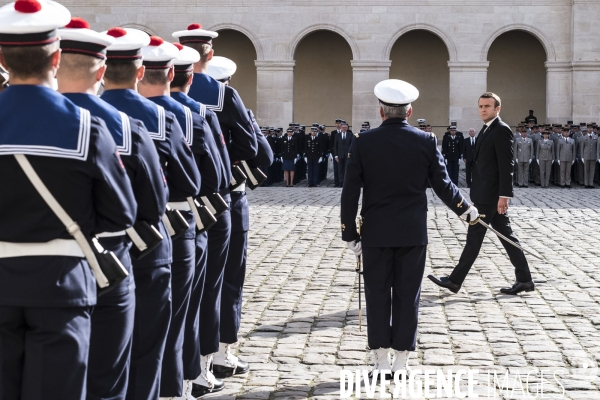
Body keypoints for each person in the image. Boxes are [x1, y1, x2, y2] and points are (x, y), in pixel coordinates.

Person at [0, 2, 137, 399]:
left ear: (2, 59)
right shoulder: (87, 126)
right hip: (61, 283)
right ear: (56, 58)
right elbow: (121, 213)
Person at [56, 19, 168, 400]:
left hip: (24, 269)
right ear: (100, 71)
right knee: (113, 372)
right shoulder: (122, 125)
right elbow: (144, 207)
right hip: (110, 261)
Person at [341, 79, 473, 377]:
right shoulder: (425, 141)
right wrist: (466, 210)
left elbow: (350, 191)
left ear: (381, 111)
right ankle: (402, 362)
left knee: (377, 295)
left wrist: (349, 233)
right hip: (412, 232)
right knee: (406, 295)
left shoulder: (363, 142)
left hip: (375, 233)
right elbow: (443, 184)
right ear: (410, 112)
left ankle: (381, 361)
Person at [100, 27, 201, 400]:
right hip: (150, 241)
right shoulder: (159, 118)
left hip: (86, 252)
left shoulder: (83, 113)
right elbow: (190, 181)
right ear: (139, 71)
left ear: (102, 69)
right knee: (151, 342)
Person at [173, 24, 258, 397]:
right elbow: (252, 147)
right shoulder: (223, 94)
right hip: (216, 201)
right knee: (220, 284)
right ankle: (212, 359)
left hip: (162, 206)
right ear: (208, 55)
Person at [169, 43, 232, 398]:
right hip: (182, 220)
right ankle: (188, 375)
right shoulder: (196, 112)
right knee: (189, 304)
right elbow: (213, 176)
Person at [428, 92, 534, 295]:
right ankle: (525, 279)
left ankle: (454, 281)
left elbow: (506, 165)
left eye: (487, 106)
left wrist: (505, 196)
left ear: (497, 109)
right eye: (481, 106)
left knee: (474, 239)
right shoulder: (486, 129)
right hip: (484, 193)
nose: (483, 109)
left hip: (491, 197)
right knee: (506, 237)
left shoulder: (501, 130)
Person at [334, 122, 353, 187]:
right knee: (340, 170)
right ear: (341, 128)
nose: (344, 129)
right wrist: (336, 155)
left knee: (347, 169)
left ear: (347, 128)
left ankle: (346, 182)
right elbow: (335, 146)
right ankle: (341, 183)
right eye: (343, 127)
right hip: (340, 155)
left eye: (345, 127)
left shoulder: (350, 135)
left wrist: (351, 154)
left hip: (347, 155)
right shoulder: (337, 135)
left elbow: (352, 145)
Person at [331, 118, 342, 187]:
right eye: (337, 123)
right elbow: (331, 144)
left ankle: (341, 181)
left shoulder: (345, 132)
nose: (338, 125)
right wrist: (332, 154)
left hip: (342, 153)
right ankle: (336, 182)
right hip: (335, 153)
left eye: (339, 123)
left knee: (342, 168)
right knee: (336, 168)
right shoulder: (333, 133)